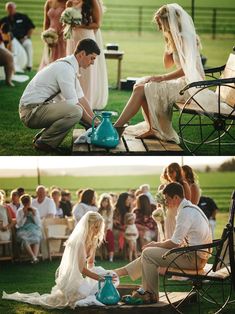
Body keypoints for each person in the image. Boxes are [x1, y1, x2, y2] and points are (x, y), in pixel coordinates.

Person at [114, 3, 218, 143]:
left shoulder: (186, 38)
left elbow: (187, 69)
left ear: (170, 22)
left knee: (143, 88)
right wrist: (168, 42)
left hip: (192, 87)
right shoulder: (175, 37)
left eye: (161, 23)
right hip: (183, 83)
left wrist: (161, 77)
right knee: (140, 84)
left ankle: (117, 128)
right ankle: (151, 128)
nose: (160, 27)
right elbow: (168, 64)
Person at [113, 182, 212, 304]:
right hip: (198, 255)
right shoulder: (192, 208)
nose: (166, 202)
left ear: (176, 197)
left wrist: (155, 244)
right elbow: (179, 241)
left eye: (167, 199)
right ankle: (120, 274)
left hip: (194, 259)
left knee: (148, 253)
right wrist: (157, 245)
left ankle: (149, 294)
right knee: (148, 253)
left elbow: (175, 242)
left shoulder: (185, 212)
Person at [3, 211, 118, 308]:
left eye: (99, 227)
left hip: (83, 275)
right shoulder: (80, 242)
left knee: (110, 275)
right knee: (86, 293)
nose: (98, 230)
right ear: (89, 225)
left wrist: (96, 279)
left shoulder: (93, 240)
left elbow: (90, 264)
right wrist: (99, 279)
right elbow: (81, 269)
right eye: (96, 227)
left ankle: (96, 290)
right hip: (73, 279)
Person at [19, 38, 100, 153]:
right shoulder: (65, 69)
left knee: (77, 110)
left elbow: (81, 98)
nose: (92, 62)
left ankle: (44, 138)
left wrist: (94, 120)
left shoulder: (69, 66)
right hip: (30, 112)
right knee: (76, 111)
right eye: (92, 58)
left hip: (37, 108)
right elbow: (74, 104)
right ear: (82, 54)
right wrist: (94, 124)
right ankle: (46, 142)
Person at [65, 0, 108, 110]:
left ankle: (87, 101)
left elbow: (97, 24)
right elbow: (66, 21)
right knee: (72, 69)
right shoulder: (69, 2)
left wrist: (80, 24)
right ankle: (73, 100)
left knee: (87, 72)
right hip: (73, 38)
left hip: (86, 36)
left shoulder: (93, 2)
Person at [0, 2, 35, 71]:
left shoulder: (22, 17)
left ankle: (29, 66)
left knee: (28, 44)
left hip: (23, 39)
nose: (10, 10)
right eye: (9, 8)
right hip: (11, 41)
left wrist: (26, 37)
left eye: (12, 8)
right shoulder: (4, 20)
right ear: (6, 10)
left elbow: (31, 28)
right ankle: (13, 65)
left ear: (15, 8)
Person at [39, 0, 67, 69]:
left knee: (61, 58)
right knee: (49, 57)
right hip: (50, 35)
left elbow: (68, 21)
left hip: (62, 35)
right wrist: (46, 37)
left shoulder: (67, 2)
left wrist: (59, 34)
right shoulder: (49, 2)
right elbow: (46, 22)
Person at [16, 194, 42, 263]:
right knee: (24, 239)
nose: (27, 204)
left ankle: (34, 258)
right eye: (25, 203)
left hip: (34, 229)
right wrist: (24, 215)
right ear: (22, 203)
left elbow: (38, 223)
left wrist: (34, 215)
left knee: (36, 238)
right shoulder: (20, 211)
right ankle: (34, 257)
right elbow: (19, 224)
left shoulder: (35, 210)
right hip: (23, 229)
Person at [98, 193, 114, 262]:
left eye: (107, 202)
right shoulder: (99, 210)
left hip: (107, 229)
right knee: (100, 243)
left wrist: (105, 230)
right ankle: (101, 256)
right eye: (104, 201)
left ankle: (111, 258)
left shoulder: (110, 210)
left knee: (110, 242)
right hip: (100, 229)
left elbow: (109, 220)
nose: (105, 203)